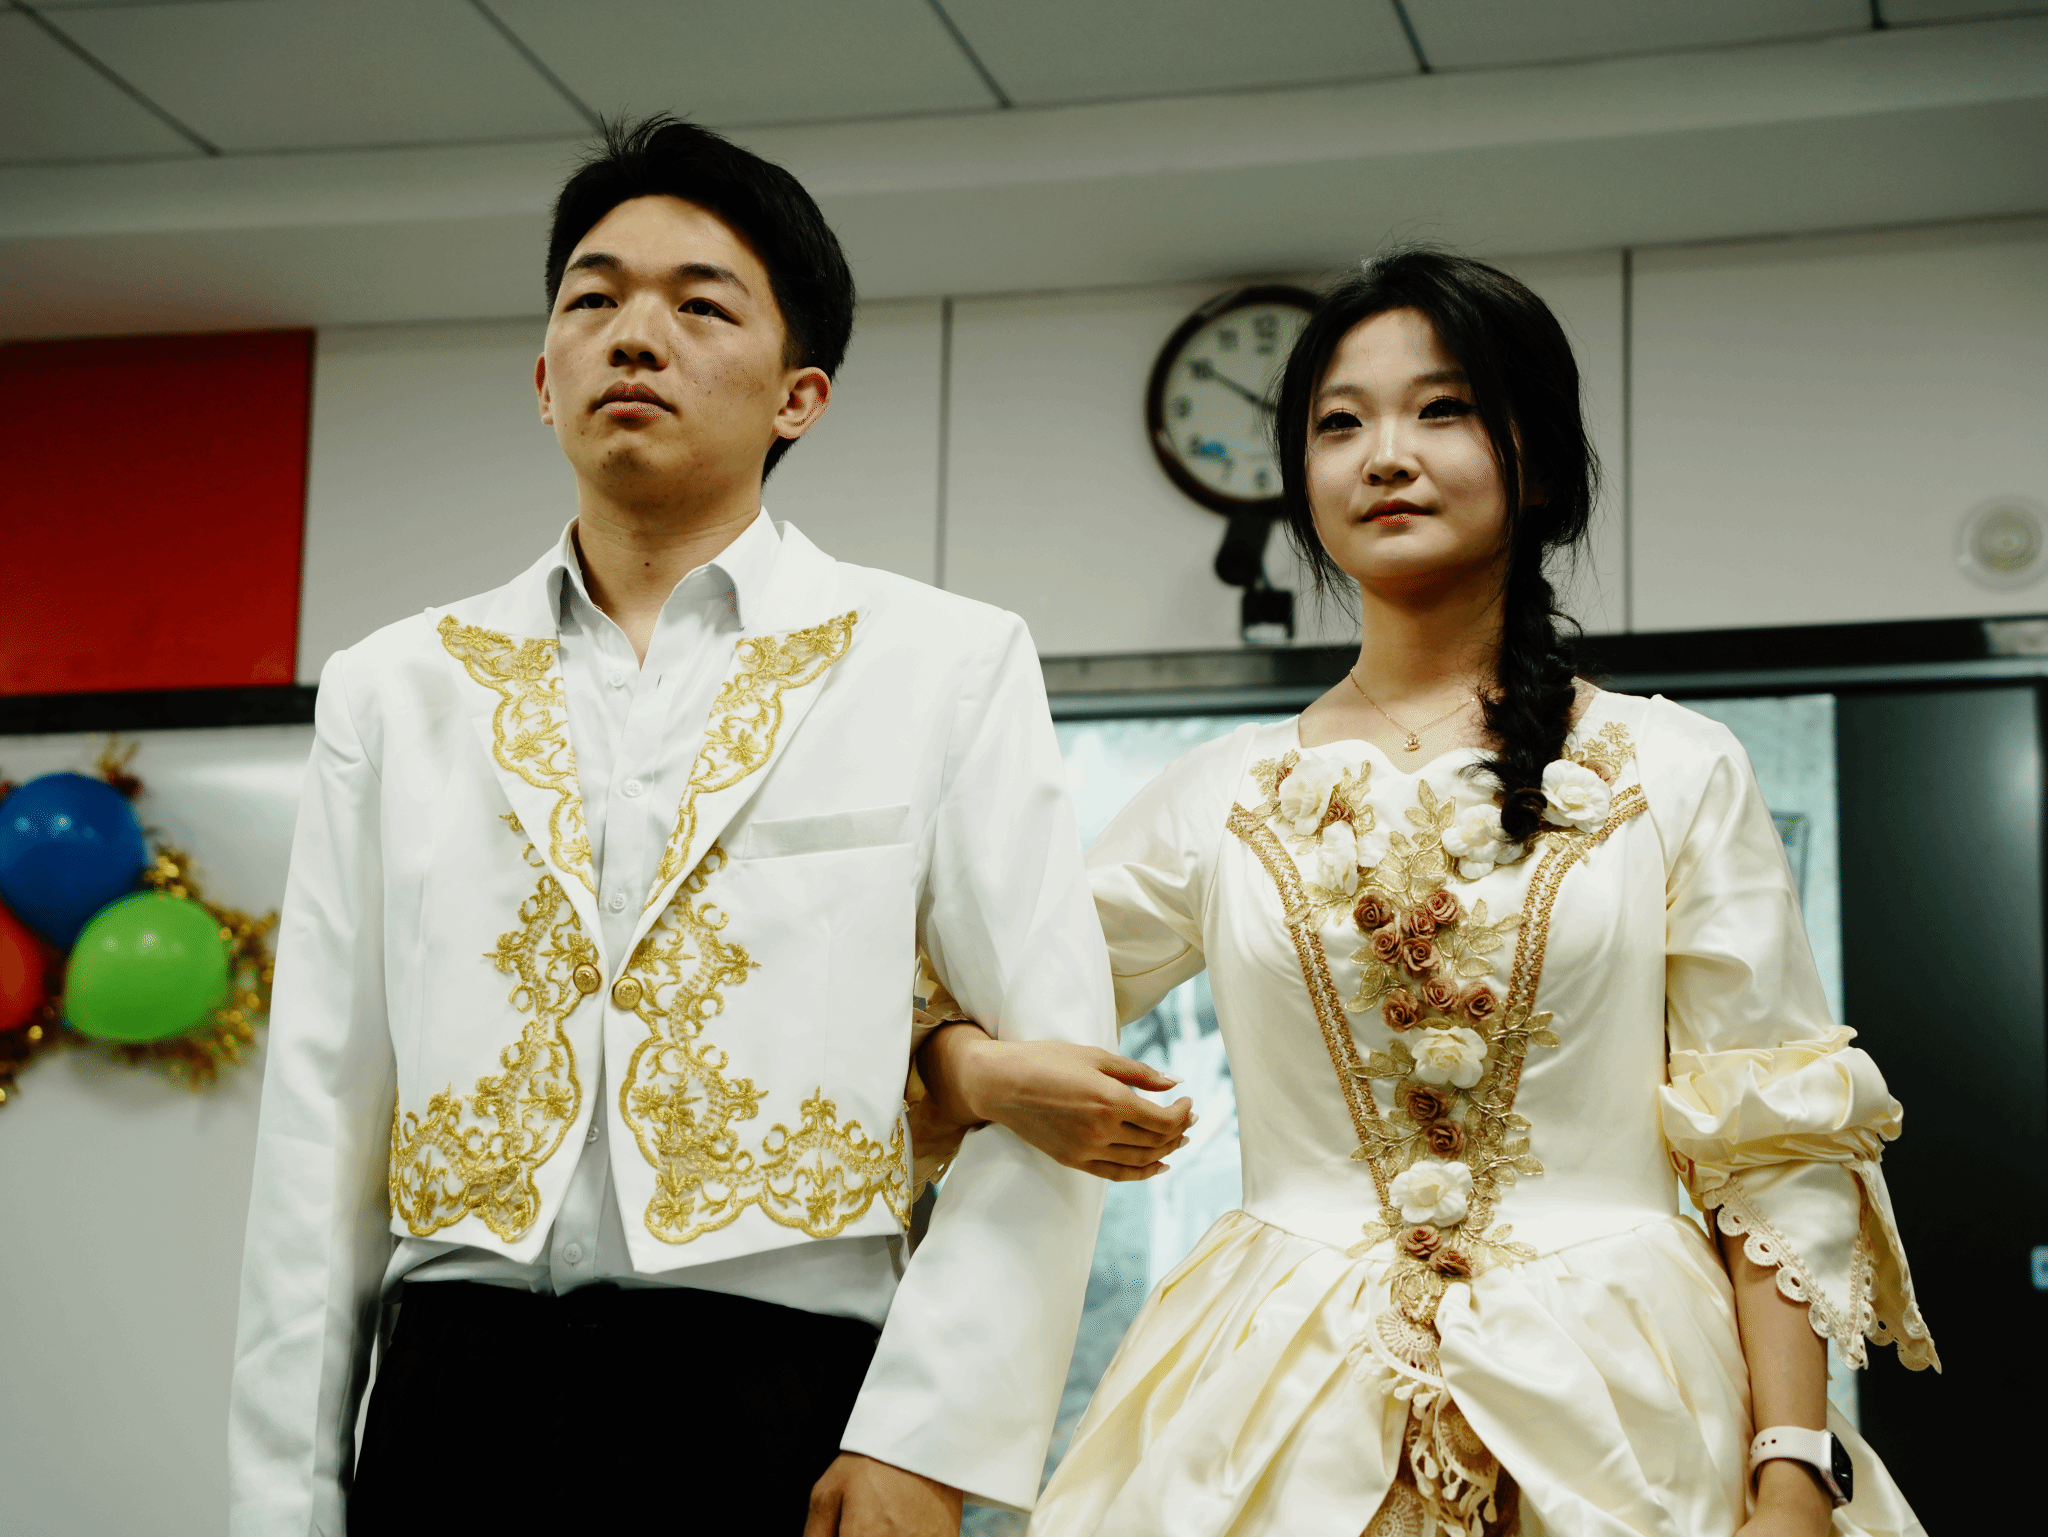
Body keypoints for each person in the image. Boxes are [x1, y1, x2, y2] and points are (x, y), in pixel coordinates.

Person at [226, 116, 1187, 1537]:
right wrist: (280, 1505)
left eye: (699, 305)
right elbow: (318, 1119)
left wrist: (928, 1440)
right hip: (452, 1394)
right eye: (592, 300)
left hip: (778, 1393)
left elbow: (1053, 1079)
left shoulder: (939, 663)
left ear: (799, 396)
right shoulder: (396, 688)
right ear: (540, 378)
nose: (633, 335)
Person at [918, 250, 1935, 1537]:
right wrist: (973, 1072)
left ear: (1537, 462)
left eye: (1440, 410)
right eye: (1338, 423)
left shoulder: (1673, 768)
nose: (1383, 456)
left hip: (1628, 1401)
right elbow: (963, 996)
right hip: (1269, 1399)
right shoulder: (1215, 797)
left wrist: (1789, 1465)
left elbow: (1770, 1140)